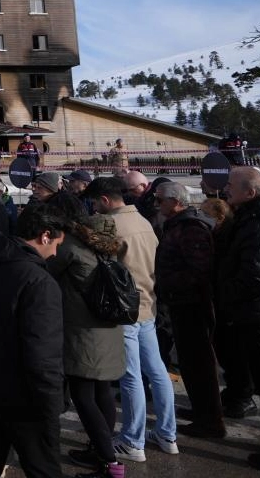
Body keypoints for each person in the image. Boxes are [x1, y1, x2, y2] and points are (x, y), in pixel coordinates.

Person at [0, 202, 68, 478]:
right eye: (56, 243)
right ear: (45, 235)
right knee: (44, 470)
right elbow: (43, 353)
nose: (56, 252)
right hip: (25, 400)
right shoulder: (39, 282)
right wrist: (52, 404)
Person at [84, 177, 177, 463]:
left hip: (124, 308)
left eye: (94, 203)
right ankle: (167, 433)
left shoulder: (113, 226)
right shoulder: (144, 221)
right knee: (157, 371)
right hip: (147, 303)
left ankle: (132, 440)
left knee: (131, 376)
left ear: (104, 200)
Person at [46, 214, 127, 478]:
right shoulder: (111, 252)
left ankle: (110, 462)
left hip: (83, 334)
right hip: (108, 332)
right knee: (102, 392)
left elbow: (48, 268)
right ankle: (100, 449)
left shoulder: (72, 248)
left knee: (83, 397)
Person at [154, 181, 224, 439]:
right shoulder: (179, 225)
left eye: (160, 200)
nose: (156, 204)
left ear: (176, 201)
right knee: (190, 363)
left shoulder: (190, 228)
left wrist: (167, 283)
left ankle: (211, 421)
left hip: (192, 304)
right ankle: (202, 411)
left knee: (199, 363)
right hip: (181, 302)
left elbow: (199, 270)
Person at [221, 166, 260, 472]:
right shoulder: (252, 217)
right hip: (256, 313)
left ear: (250, 192)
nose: (225, 189)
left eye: (231, 185)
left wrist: (226, 293)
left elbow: (259, 275)